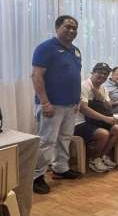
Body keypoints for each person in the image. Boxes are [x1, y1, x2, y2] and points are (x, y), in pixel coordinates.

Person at [31, 15, 83, 194]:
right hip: (51, 105)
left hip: (70, 105)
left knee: (64, 138)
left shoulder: (76, 51)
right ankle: (36, 177)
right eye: (67, 27)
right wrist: (45, 102)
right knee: (46, 141)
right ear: (57, 28)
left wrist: (77, 100)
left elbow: (74, 76)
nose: (71, 30)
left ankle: (61, 169)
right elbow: (36, 76)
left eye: (74, 28)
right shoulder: (45, 48)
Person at [74, 63, 118, 173]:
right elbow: (83, 109)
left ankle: (102, 156)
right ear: (92, 72)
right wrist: (105, 118)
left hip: (95, 121)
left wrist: (100, 98)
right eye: (100, 72)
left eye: (105, 74)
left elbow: (109, 106)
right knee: (103, 134)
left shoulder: (103, 88)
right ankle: (93, 160)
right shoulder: (83, 86)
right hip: (79, 122)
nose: (103, 76)